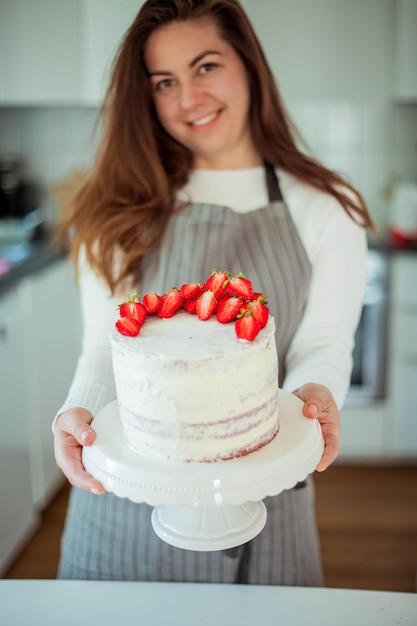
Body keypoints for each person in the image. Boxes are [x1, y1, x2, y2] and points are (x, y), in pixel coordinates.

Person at [53, 0, 374, 584]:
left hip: (264, 501)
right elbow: (104, 348)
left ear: (248, 65)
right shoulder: (117, 205)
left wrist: (315, 392)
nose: (188, 99)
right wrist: (74, 415)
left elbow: (324, 341)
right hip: (123, 504)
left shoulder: (326, 208)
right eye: (165, 82)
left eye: (206, 67)